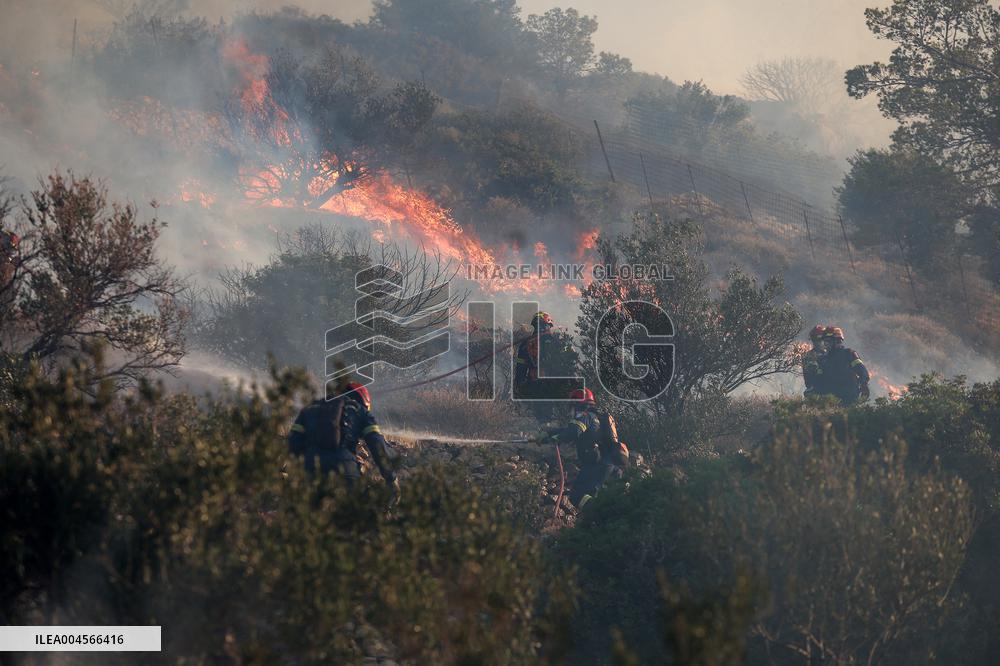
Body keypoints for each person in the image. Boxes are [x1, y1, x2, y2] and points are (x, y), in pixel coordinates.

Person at [288, 381, 400, 501]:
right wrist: (391, 478)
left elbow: (293, 443)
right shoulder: (360, 411)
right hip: (346, 471)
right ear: (364, 401)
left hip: (312, 472)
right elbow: (377, 445)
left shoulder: (309, 409)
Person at [538, 388, 629, 509]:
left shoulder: (585, 417)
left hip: (597, 466)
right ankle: (603, 517)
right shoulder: (595, 418)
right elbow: (569, 430)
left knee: (577, 496)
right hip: (608, 466)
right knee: (598, 496)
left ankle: (596, 515)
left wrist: (556, 438)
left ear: (577, 405)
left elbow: (573, 432)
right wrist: (548, 434)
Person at [819, 326, 870, 406]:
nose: (826, 344)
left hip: (849, 399)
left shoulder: (848, 354)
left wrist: (864, 385)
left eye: (828, 341)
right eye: (825, 342)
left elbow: (862, 371)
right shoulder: (823, 359)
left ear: (837, 341)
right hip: (829, 402)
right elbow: (819, 380)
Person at [802, 324, 828, 398]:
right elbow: (808, 380)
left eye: (819, 340)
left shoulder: (831, 354)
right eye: (814, 340)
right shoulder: (808, 356)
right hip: (817, 391)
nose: (817, 343)